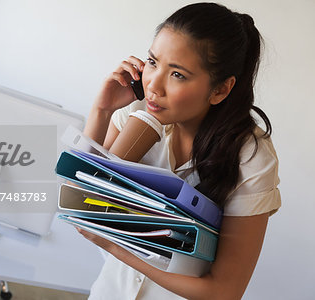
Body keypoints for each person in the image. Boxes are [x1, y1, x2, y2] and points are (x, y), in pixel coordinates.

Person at [79, 2, 281, 299]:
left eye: (178, 75)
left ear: (220, 90)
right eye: (152, 62)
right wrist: (102, 110)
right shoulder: (135, 114)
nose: (153, 87)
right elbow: (82, 202)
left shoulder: (251, 158)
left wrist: (115, 249)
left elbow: (224, 291)